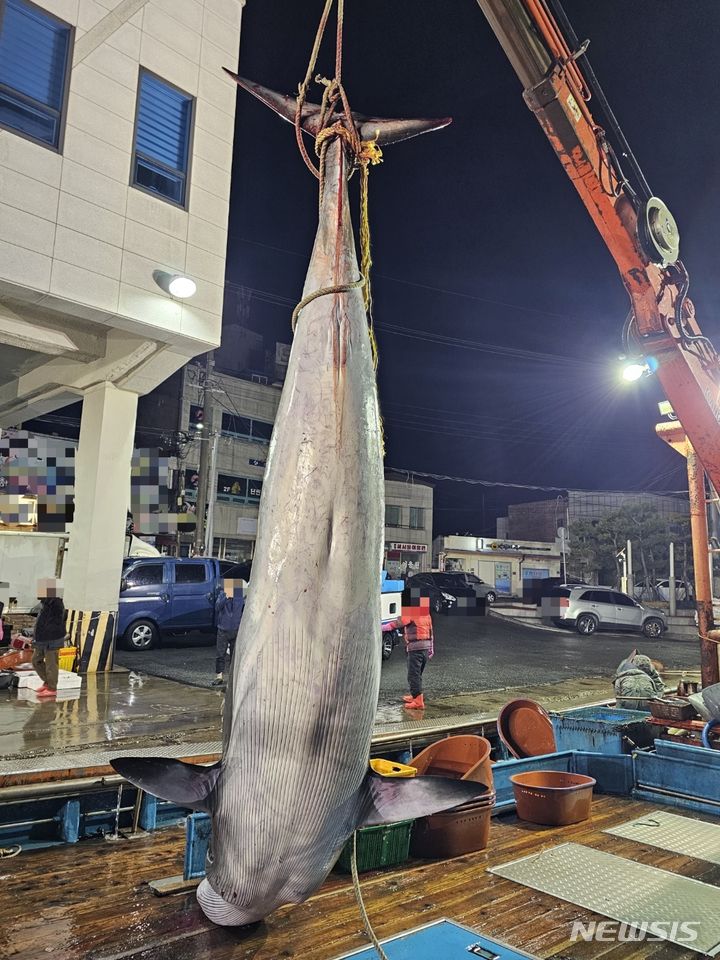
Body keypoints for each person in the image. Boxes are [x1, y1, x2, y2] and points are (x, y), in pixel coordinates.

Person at [32, 583, 67, 699]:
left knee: (51, 664)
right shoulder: (44, 604)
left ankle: (52, 688)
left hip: (52, 639)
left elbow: (58, 620)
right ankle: (47, 682)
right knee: (35, 660)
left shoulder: (56, 603)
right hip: (41, 639)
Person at [400, 594, 434, 710]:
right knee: (417, 674)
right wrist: (431, 648)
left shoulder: (411, 612)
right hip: (424, 648)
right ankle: (415, 696)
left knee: (413, 675)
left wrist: (382, 627)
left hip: (415, 649)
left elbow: (398, 623)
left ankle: (418, 702)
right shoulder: (426, 614)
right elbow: (431, 632)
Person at [213, 579, 245, 686]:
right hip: (223, 629)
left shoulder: (240, 597)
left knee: (234, 654)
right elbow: (217, 607)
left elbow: (244, 610)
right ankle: (219, 676)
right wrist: (225, 597)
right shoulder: (222, 595)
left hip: (236, 629)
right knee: (220, 654)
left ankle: (232, 677)